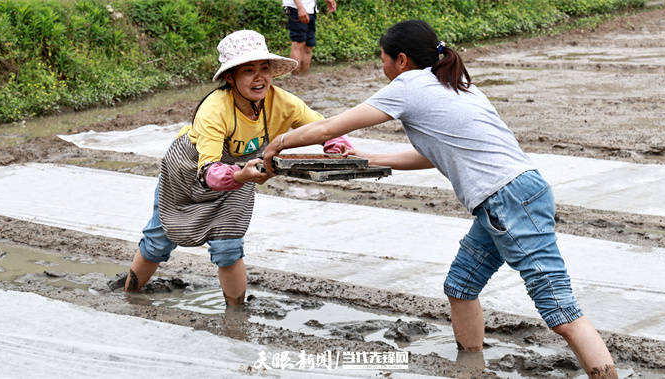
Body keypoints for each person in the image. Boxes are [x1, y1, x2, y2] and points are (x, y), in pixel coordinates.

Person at [263, 20, 617, 378]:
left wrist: (276, 145)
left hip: (507, 202)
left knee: (561, 314)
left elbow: (329, 128)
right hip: (514, 196)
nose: (381, 66)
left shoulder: (409, 85)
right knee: (460, 287)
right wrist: (365, 160)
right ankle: (471, 368)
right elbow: (434, 156)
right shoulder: (454, 83)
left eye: (382, 59)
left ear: (401, 60)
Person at [124, 30, 352, 306]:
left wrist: (335, 145)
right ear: (230, 77)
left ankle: (236, 316)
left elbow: (324, 128)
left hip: (241, 172)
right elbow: (208, 172)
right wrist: (242, 175)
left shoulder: (282, 102)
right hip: (189, 170)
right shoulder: (214, 109)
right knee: (159, 240)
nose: (260, 77)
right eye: (249, 70)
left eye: (264, 68)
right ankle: (129, 298)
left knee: (228, 247)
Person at [282, 0, 336, 75]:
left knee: (309, 45)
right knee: (299, 43)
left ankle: (304, 77)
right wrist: (300, 7)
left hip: (311, 8)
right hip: (296, 8)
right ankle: (294, 78)